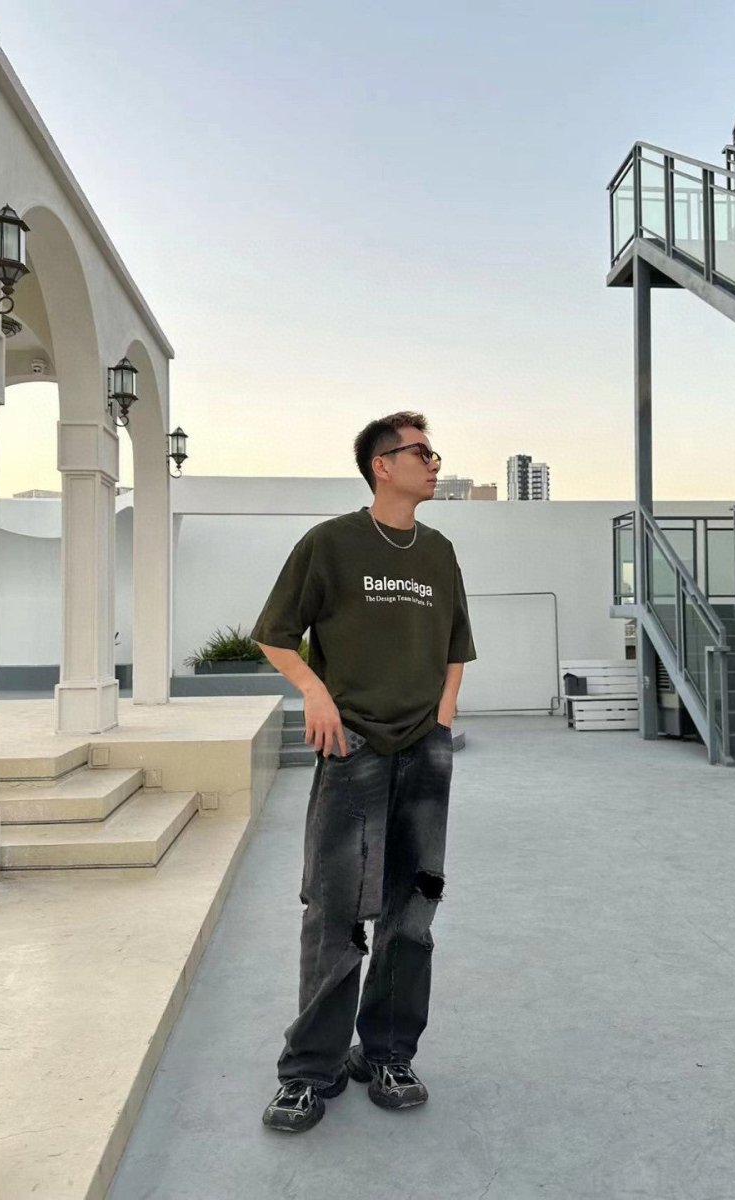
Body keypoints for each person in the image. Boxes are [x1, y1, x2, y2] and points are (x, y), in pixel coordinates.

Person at [251, 411, 477, 1133]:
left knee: (412, 911)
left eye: (433, 453)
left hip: (423, 749)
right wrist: (315, 692)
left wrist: (442, 716)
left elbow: (456, 645)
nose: (434, 463)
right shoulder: (331, 544)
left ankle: (387, 1054)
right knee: (336, 911)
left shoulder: (438, 552)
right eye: (422, 453)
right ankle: (308, 1072)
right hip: (352, 748)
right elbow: (274, 634)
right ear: (383, 465)